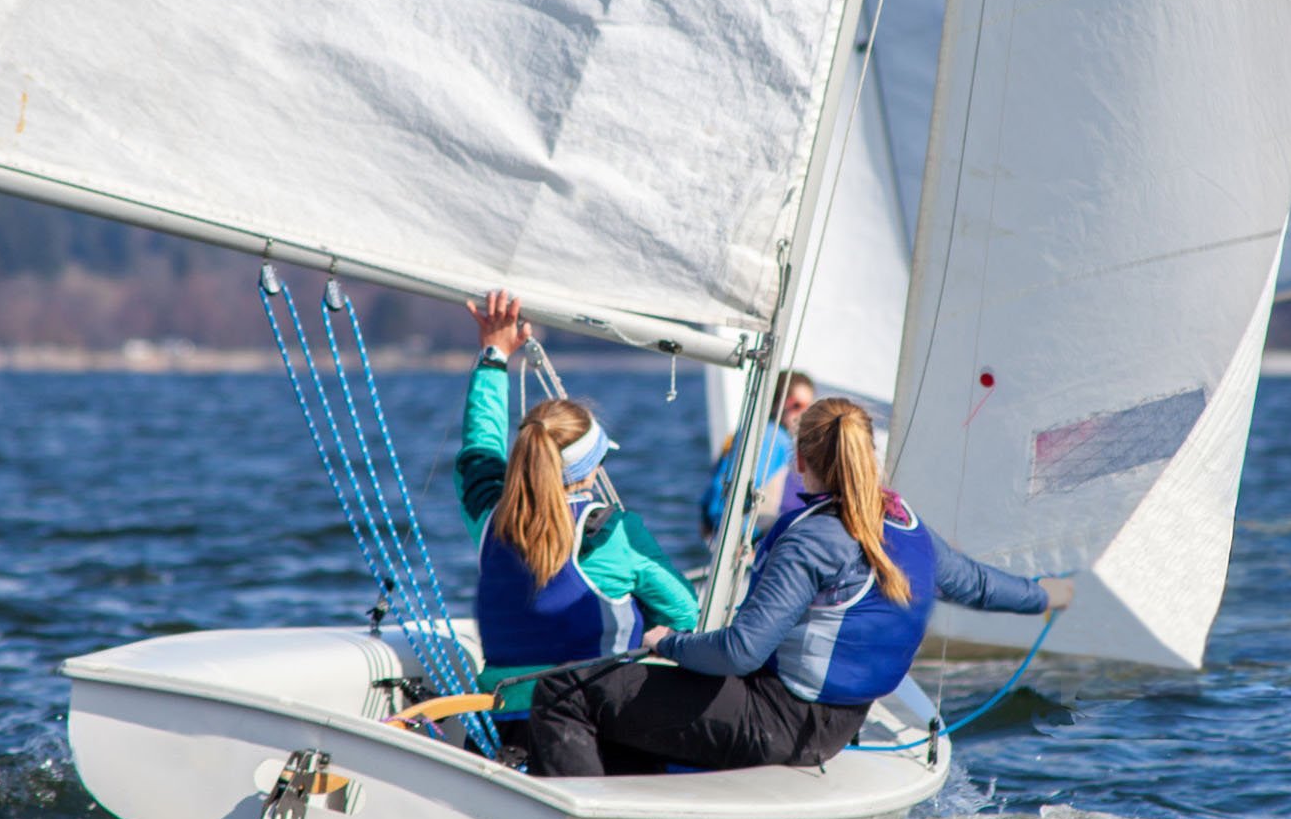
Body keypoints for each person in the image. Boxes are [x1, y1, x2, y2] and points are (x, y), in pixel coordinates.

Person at [529, 395, 1075, 777]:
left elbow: (741, 653)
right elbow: (978, 585)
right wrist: (1047, 594)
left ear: (802, 461)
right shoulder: (908, 528)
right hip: (838, 725)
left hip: (778, 722)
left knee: (565, 691)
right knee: (630, 700)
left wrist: (664, 643)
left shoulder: (813, 540)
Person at [456, 291, 699, 750]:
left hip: (495, 729)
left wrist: (494, 355)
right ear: (592, 469)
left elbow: (479, 446)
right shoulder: (613, 533)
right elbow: (686, 613)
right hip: (588, 729)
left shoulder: (489, 519)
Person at [698, 370, 816, 537]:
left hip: (726, 530)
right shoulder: (773, 439)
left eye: (810, 409)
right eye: (796, 406)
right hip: (743, 534)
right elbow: (725, 494)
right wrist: (741, 536)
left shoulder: (755, 430)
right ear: (778, 403)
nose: (803, 415)